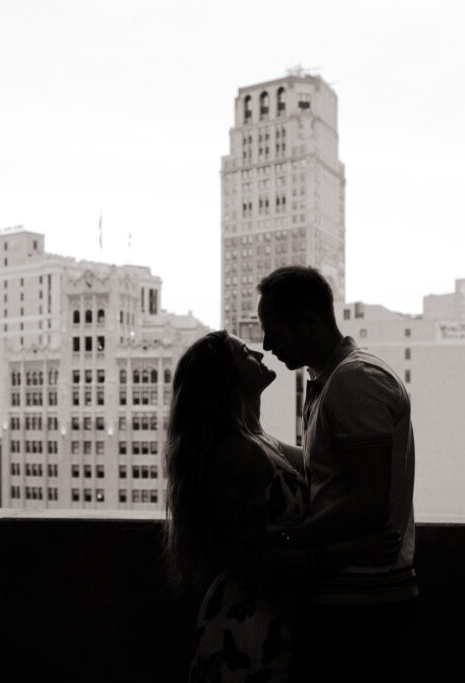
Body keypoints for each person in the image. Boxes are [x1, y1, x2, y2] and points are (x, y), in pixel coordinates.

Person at [163, 331, 396, 683]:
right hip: (249, 630)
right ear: (225, 378)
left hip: (274, 618)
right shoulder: (236, 456)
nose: (258, 352)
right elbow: (254, 558)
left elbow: (325, 465)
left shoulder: (258, 441)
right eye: (243, 353)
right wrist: (351, 550)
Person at [256, 266, 418, 683]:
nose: (266, 344)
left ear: (310, 322)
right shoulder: (333, 380)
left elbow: (368, 504)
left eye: (275, 331)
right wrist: (253, 439)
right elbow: (322, 469)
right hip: (352, 593)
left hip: (363, 601)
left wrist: (288, 539)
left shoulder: (355, 380)